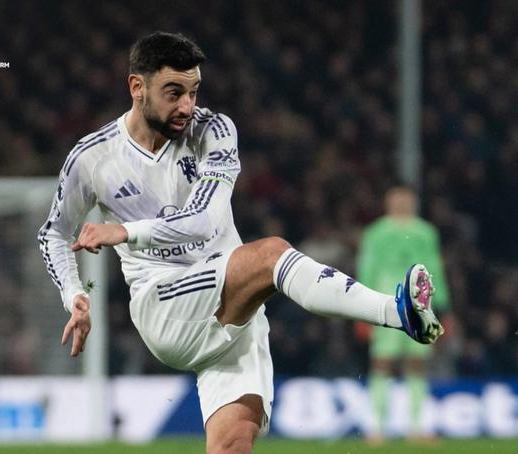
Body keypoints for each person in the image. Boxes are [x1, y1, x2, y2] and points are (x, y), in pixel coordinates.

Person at [38, 32, 444, 453]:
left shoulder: (214, 130)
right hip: (165, 304)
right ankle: (396, 312)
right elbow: (53, 233)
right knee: (270, 255)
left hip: (234, 308)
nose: (187, 106)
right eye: (173, 93)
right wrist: (74, 295)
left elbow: (203, 221)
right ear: (136, 87)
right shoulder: (92, 158)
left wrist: (127, 231)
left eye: (194, 92)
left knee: (232, 445)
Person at [357, 186, 451, 441]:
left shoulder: (426, 232)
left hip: (420, 305)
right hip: (383, 303)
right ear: (388, 201)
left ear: (414, 201)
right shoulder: (375, 233)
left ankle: (417, 427)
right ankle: (376, 427)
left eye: (406, 198)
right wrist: (361, 310)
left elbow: (435, 269)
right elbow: (367, 269)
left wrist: (443, 306)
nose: (401, 202)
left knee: (417, 363)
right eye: (396, 198)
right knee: (382, 362)